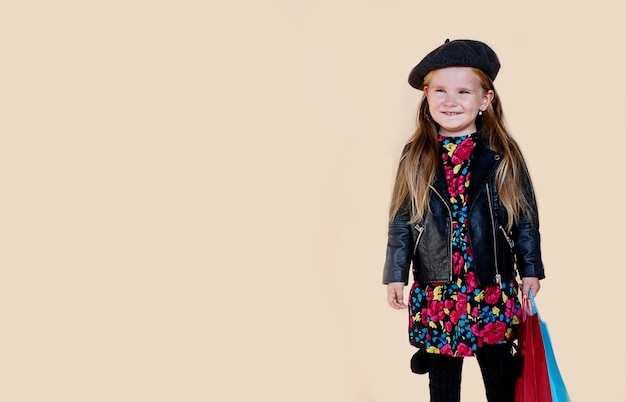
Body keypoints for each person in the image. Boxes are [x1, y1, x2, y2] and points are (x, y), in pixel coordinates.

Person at [382, 39, 545, 402]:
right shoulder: (416, 156)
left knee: (501, 377)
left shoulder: (502, 155)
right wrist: (395, 274)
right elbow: (402, 221)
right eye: (439, 90)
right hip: (437, 289)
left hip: (490, 286)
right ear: (425, 95)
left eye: (463, 91)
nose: (450, 101)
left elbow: (525, 220)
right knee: (442, 385)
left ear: (485, 99)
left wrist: (530, 269)